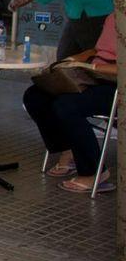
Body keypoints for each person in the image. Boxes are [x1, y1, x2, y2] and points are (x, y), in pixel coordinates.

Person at [22, 15, 118, 193]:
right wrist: (72, 61)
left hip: (116, 85)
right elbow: (97, 51)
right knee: (35, 96)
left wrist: (94, 68)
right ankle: (69, 149)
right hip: (93, 77)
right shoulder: (114, 17)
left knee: (66, 105)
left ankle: (94, 171)